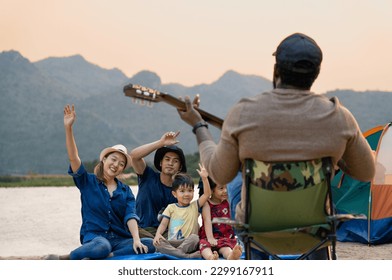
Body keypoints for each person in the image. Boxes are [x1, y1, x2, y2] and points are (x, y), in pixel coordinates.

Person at [176, 32, 376, 259]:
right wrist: (336, 156)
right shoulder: (340, 117)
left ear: (276, 70)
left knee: (237, 175)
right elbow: (367, 171)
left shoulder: (244, 112)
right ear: (316, 73)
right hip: (314, 232)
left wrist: (198, 126)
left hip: (258, 232)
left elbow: (218, 172)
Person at [45, 104, 155, 260]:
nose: (116, 165)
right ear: (104, 159)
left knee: (149, 243)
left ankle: (109, 256)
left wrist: (136, 240)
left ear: (123, 169)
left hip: (120, 240)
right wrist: (68, 128)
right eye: (113, 159)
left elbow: (130, 216)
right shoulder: (87, 181)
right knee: (101, 247)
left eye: (121, 163)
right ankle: (66, 258)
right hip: (95, 238)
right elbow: (73, 158)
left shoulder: (126, 191)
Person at [130, 131, 187, 238]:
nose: (170, 163)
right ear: (161, 163)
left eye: (175, 161)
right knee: (149, 242)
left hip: (163, 234)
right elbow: (134, 156)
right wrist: (161, 143)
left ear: (179, 167)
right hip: (141, 230)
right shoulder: (147, 176)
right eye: (167, 159)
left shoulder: (179, 192)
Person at [153, 164, 211, 259]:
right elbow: (163, 224)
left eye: (190, 190)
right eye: (182, 191)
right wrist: (157, 235)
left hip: (189, 243)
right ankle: (185, 256)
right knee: (157, 243)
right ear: (174, 194)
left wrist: (204, 178)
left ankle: (176, 253)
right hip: (173, 242)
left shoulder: (195, 206)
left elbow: (207, 194)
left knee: (195, 238)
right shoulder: (171, 207)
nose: (187, 194)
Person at [198, 177, 242, 260]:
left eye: (226, 188)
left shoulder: (228, 201)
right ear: (211, 190)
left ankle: (230, 256)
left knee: (226, 247)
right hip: (209, 236)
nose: (225, 191)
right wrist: (210, 238)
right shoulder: (207, 204)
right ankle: (210, 257)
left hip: (225, 237)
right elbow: (207, 220)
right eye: (221, 188)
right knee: (204, 246)